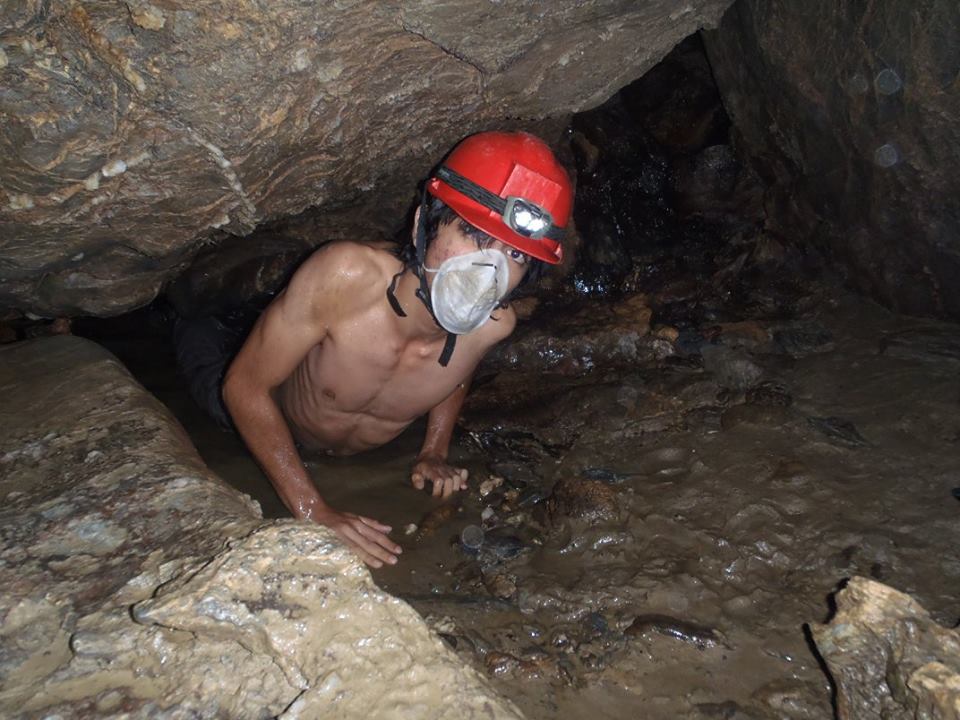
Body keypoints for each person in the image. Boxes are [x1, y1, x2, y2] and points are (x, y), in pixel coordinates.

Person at [183, 131, 573, 568]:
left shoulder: (493, 326)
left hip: (340, 445)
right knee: (195, 337)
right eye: (472, 233)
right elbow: (244, 388)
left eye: (517, 256)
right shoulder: (344, 276)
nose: (491, 269)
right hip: (250, 413)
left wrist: (434, 451)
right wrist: (314, 511)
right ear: (423, 224)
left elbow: (456, 372)